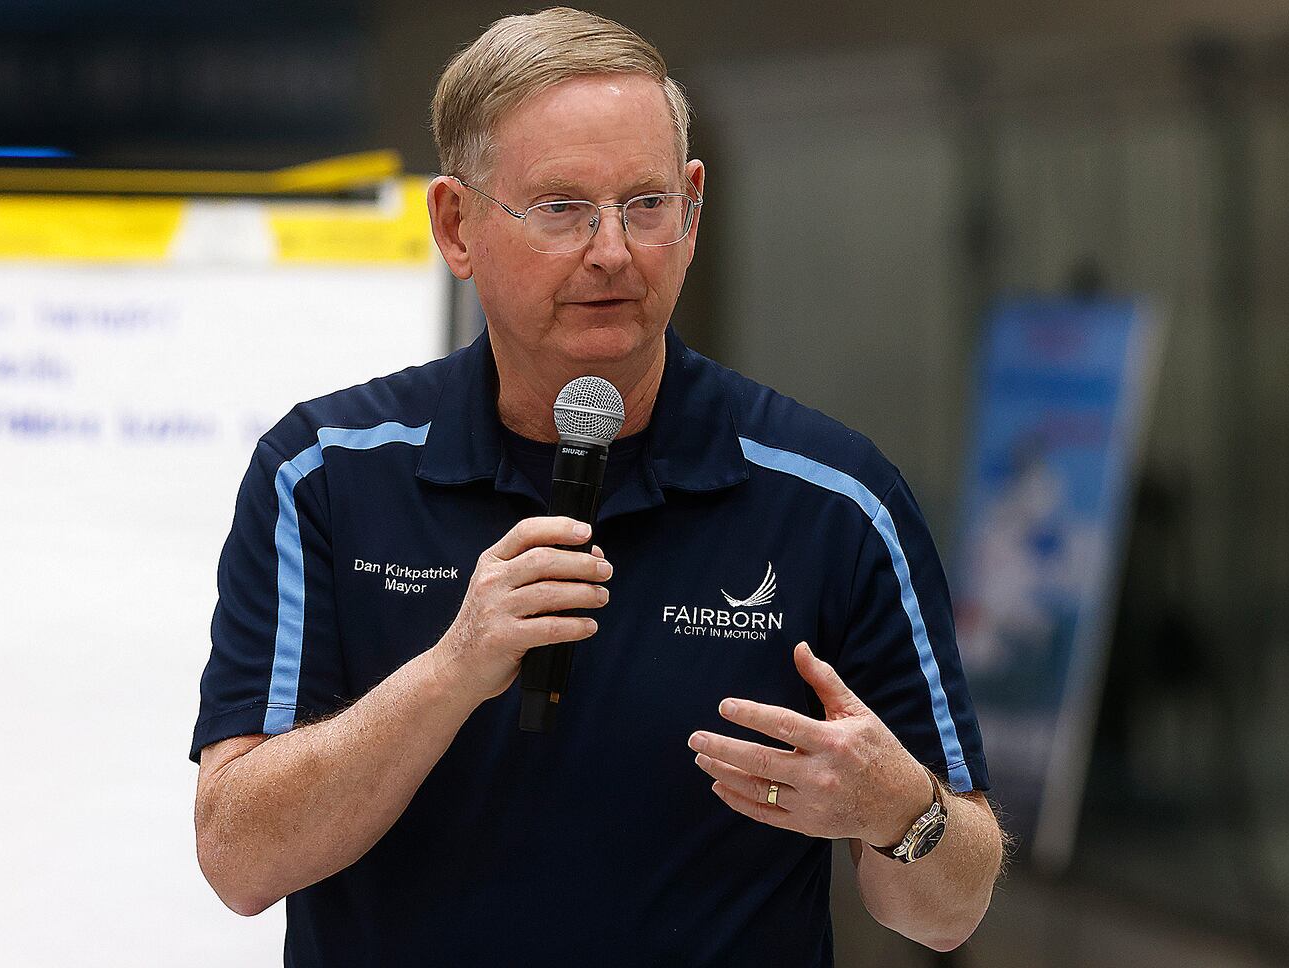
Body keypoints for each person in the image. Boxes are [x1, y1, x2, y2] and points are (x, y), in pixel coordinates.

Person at [191, 8, 1004, 966]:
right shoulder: (325, 472)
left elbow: (947, 911)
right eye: (562, 209)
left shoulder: (834, 498)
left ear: (694, 209)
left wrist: (899, 811)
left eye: (646, 205)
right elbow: (238, 861)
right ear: (456, 225)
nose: (612, 250)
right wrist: (453, 670)